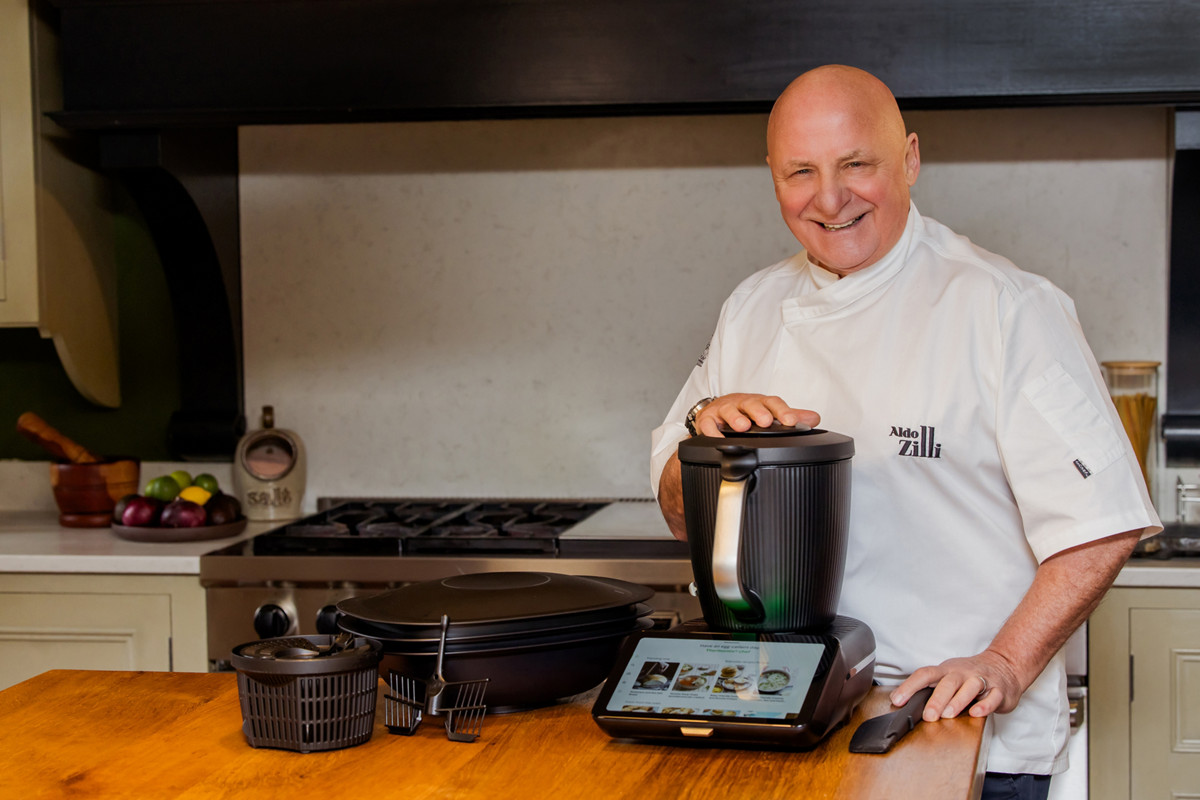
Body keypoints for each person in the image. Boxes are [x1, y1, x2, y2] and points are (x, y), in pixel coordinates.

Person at [650, 65, 1161, 800]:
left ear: (911, 159)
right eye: (802, 172)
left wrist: (1007, 664)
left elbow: (1102, 523)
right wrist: (703, 451)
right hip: (781, 720)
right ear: (772, 176)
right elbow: (678, 514)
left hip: (955, 728)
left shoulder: (1007, 309)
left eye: (856, 164)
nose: (829, 199)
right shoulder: (751, 308)